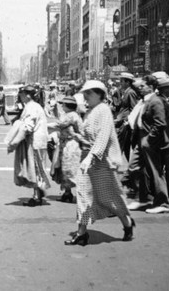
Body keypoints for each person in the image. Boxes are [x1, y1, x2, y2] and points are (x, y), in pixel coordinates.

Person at [65, 80, 134, 245]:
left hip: (100, 161)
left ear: (99, 94)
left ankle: (127, 223)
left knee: (108, 197)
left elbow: (103, 137)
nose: (86, 97)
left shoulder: (103, 110)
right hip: (87, 160)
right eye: (85, 94)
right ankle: (82, 233)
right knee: (83, 195)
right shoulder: (91, 111)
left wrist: (91, 157)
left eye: (89, 93)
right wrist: (78, 137)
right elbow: (87, 134)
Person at [133, 75, 169, 214]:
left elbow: (160, 123)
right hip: (142, 138)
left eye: (143, 86)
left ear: (151, 86)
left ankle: (162, 203)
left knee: (155, 171)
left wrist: (149, 139)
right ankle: (143, 199)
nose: (140, 88)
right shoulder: (145, 101)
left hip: (150, 140)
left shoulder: (155, 101)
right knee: (137, 168)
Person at [7, 85, 51, 206]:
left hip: (35, 142)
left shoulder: (31, 107)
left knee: (35, 168)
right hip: (37, 141)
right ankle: (37, 192)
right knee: (36, 168)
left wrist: (14, 143)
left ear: (27, 95)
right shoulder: (33, 106)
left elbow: (28, 127)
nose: (20, 97)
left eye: (21, 94)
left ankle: (36, 197)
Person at [47, 95, 83, 203]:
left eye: (63, 104)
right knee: (64, 169)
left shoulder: (71, 115)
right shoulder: (69, 114)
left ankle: (80, 195)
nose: (61, 106)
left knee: (70, 170)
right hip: (65, 144)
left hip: (71, 145)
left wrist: (43, 125)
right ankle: (67, 193)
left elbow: (59, 124)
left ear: (68, 105)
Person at [114, 72, 138, 161]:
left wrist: (128, 120)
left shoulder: (130, 92)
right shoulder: (126, 92)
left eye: (122, 81)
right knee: (126, 146)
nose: (120, 83)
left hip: (126, 123)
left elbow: (133, 108)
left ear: (128, 82)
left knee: (120, 144)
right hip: (122, 122)